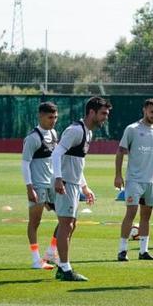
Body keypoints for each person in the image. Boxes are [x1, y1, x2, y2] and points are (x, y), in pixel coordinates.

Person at [50, 96, 112, 281]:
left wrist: (84, 187)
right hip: (65, 184)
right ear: (91, 112)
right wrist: (58, 179)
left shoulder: (88, 133)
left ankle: (62, 265)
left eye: (107, 114)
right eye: (103, 113)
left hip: (74, 184)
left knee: (71, 225)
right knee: (66, 224)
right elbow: (56, 153)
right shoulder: (75, 130)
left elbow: (78, 162)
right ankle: (65, 269)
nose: (105, 117)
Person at [114, 98, 153, 262]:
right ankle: (122, 250)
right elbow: (121, 152)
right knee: (131, 213)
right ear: (144, 110)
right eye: (151, 112)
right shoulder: (132, 129)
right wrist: (118, 175)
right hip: (134, 180)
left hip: (152, 181)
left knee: (146, 216)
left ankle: (143, 251)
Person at [21, 101, 60, 269]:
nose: (53, 121)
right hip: (38, 185)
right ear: (41, 116)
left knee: (67, 220)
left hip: (52, 184)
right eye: (50, 117)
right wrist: (29, 188)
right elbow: (24, 164)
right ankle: (36, 259)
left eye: (56, 117)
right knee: (35, 222)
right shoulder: (32, 138)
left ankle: (51, 251)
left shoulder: (54, 133)